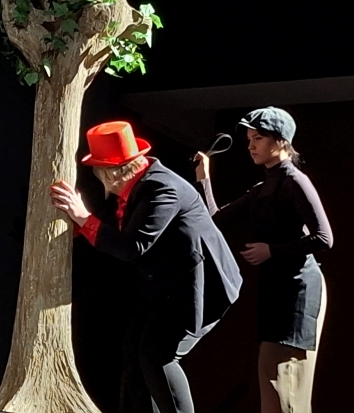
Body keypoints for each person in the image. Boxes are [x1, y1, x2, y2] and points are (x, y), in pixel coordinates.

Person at [50, 121, 242, 413]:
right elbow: (112, 226)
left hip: (202, 288)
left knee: (158, 354)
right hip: (164, 285)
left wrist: (83, 218)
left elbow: (132, 246)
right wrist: (80, 224)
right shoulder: (135, 186)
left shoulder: (162, 189)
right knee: (133, 353)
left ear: (111, 173)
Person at [193, 106, 332, 413]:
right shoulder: (261, 190)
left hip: (298, 288)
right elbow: (215, 220)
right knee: (270, 377)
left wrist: (271, 250)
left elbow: (324, 238)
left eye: (258, 138)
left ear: (280, 141)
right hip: (275, 289)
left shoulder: (295, 181)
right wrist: (204, 179)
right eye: (249, 139)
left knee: (284, 382)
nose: (251, 146)